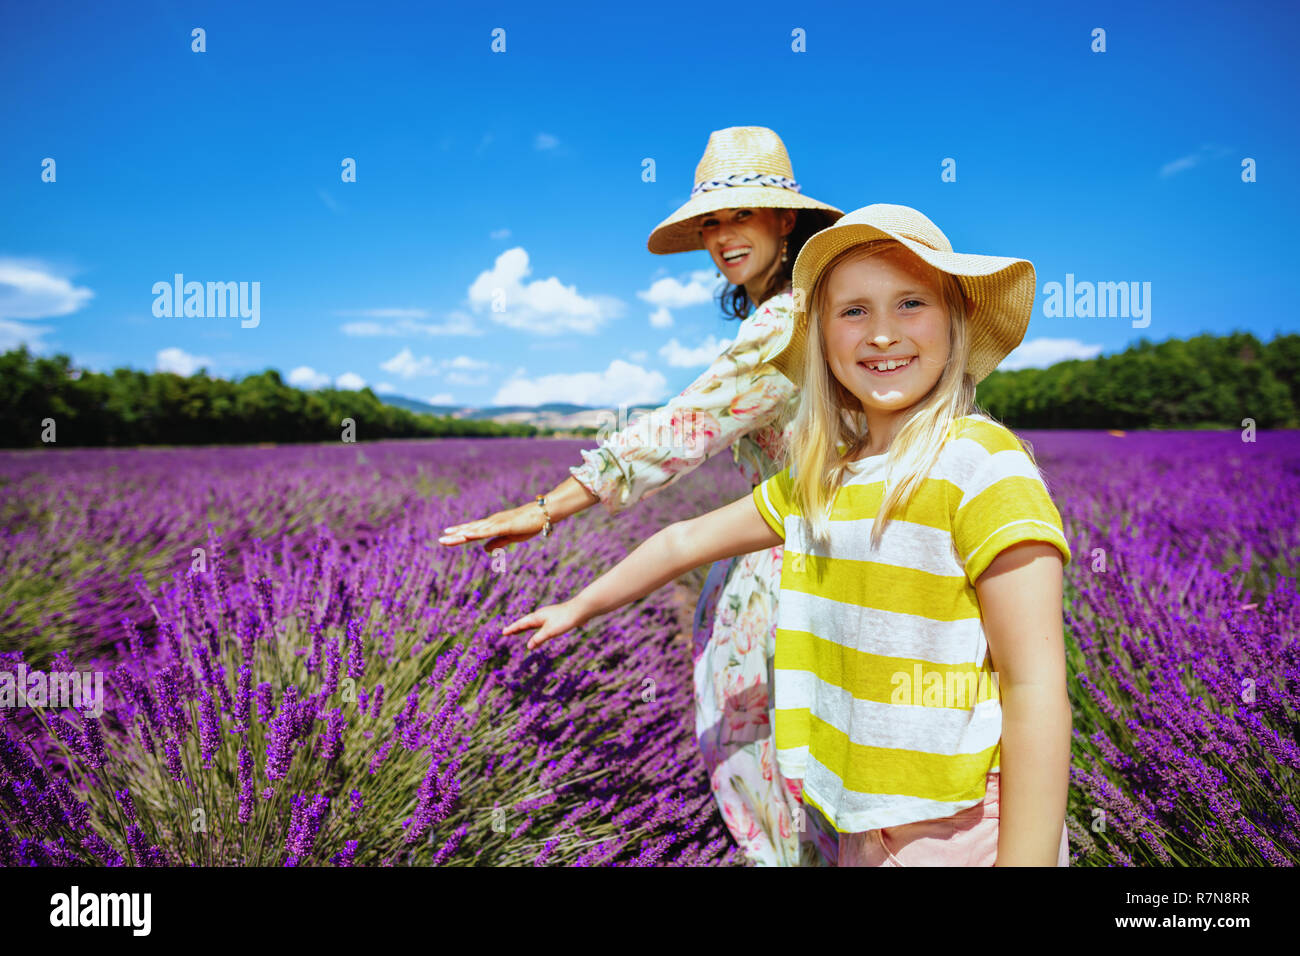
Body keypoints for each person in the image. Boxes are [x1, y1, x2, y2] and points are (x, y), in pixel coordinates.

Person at [503, 203, 1074, 866]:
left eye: (910, 303)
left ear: (955, 323)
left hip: (961, 822)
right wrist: (577, 605)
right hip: (856, 817)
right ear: (824, 343)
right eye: (853, 311)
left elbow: (1033, 688)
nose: (883, 334)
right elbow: (684, 541)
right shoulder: (823, 479)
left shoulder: (981, 463)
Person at [438, 126, 844, 865]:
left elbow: (680, 430)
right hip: (794, 549)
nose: (722, 237)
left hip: (796, 575)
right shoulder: (801, 311)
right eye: (711, 223)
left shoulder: (786, 322)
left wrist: (545, 508)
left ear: (786, 220)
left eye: (741, 216)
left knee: (785, 799)